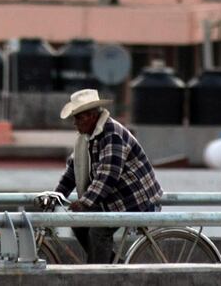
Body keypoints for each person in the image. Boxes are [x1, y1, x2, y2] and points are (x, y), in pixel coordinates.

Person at [51, 88, 163, 264]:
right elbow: (72, 172)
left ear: (91, 116)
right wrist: (55, 196)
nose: (75, 123)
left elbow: (108, 175)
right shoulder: (86, 138)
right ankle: (110, 265)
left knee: (99, 229)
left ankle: (101, 275)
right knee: (78, 222)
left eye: (78, 117)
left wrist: (85, 202)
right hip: (112, 199)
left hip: (135, 199)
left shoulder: (112, 134)